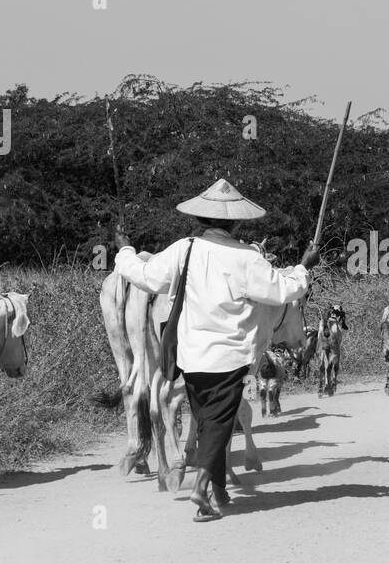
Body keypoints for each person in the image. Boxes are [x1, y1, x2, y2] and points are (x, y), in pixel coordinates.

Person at [114, 178, 319, 521]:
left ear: (201, 219)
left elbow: (144, 276)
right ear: (237, 222)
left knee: (209, 421)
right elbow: (285, 290)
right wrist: (304, 265)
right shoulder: (247, 258)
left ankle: (221, 490)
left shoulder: (184, 249)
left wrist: (123, 248)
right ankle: (202, 489)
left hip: (191, 356)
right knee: (218, 426)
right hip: (229, 358)